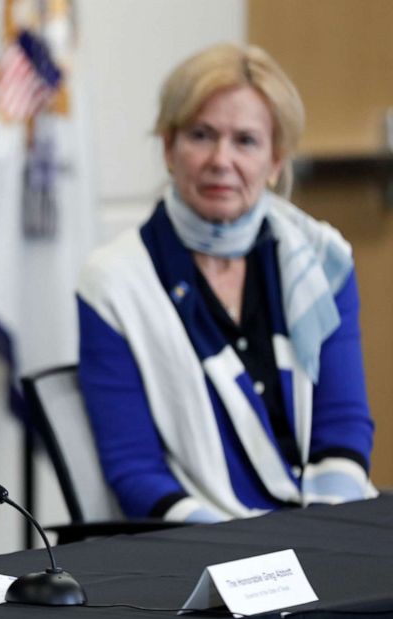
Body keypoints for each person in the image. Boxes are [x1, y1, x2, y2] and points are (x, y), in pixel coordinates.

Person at [76, 43, 376, 523]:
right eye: (202, 135)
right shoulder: (113, 282)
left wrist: (327, 536)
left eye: (246, 141)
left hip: (324, 526)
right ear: (169, 148)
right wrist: (248, 554)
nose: (221, 159)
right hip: (201, 544)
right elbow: (136, 472)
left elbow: (342, 426)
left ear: (276, 160)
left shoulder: (324, 259)